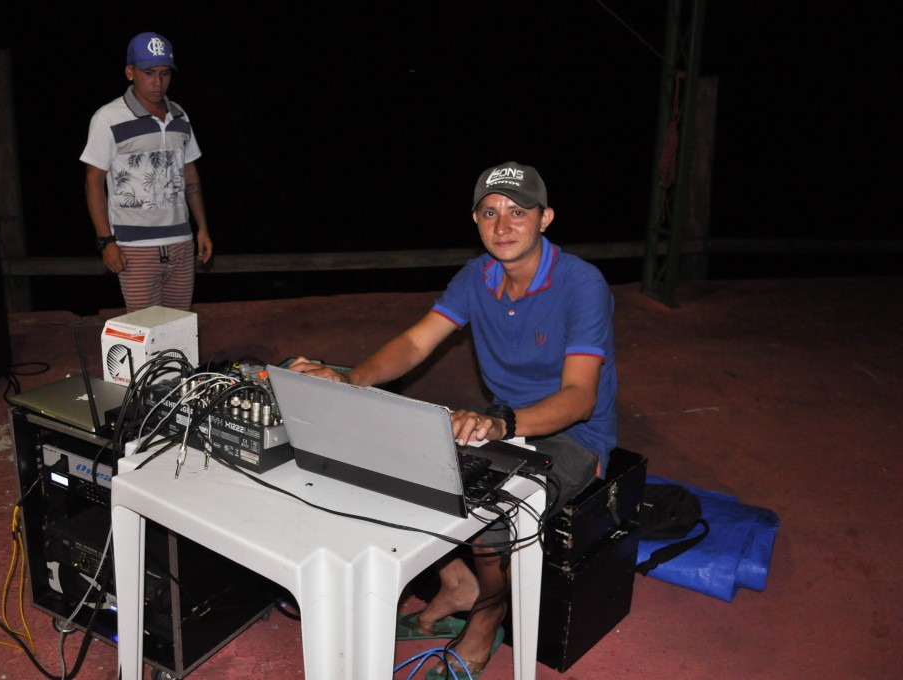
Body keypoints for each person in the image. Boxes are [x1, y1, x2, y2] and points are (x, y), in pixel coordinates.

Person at [289, 161, 617, 679]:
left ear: (545, 218)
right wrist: (351, 380)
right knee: (398, 468)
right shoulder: (476, 277)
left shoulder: (581, 283)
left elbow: (580, 399)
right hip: (503, 423)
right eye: (489, 212)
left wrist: (502, 424)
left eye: (518, 212)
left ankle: (486, 620)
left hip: (573, 435)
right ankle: (457, 583)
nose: (502, 225)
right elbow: (416, 342)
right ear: (475, 219)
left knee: (489, 518)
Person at [80, 31, 213, 313]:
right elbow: (93, 182)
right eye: (148, 73)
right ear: (130, 72)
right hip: (134, 248)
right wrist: (106, 242)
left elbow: (190, 177)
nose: (157, 82)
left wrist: (202, 228)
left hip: (181, 242)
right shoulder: (108, 118)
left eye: (165, 73)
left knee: (178, 328)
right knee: (144, 331)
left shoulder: (180, 116)